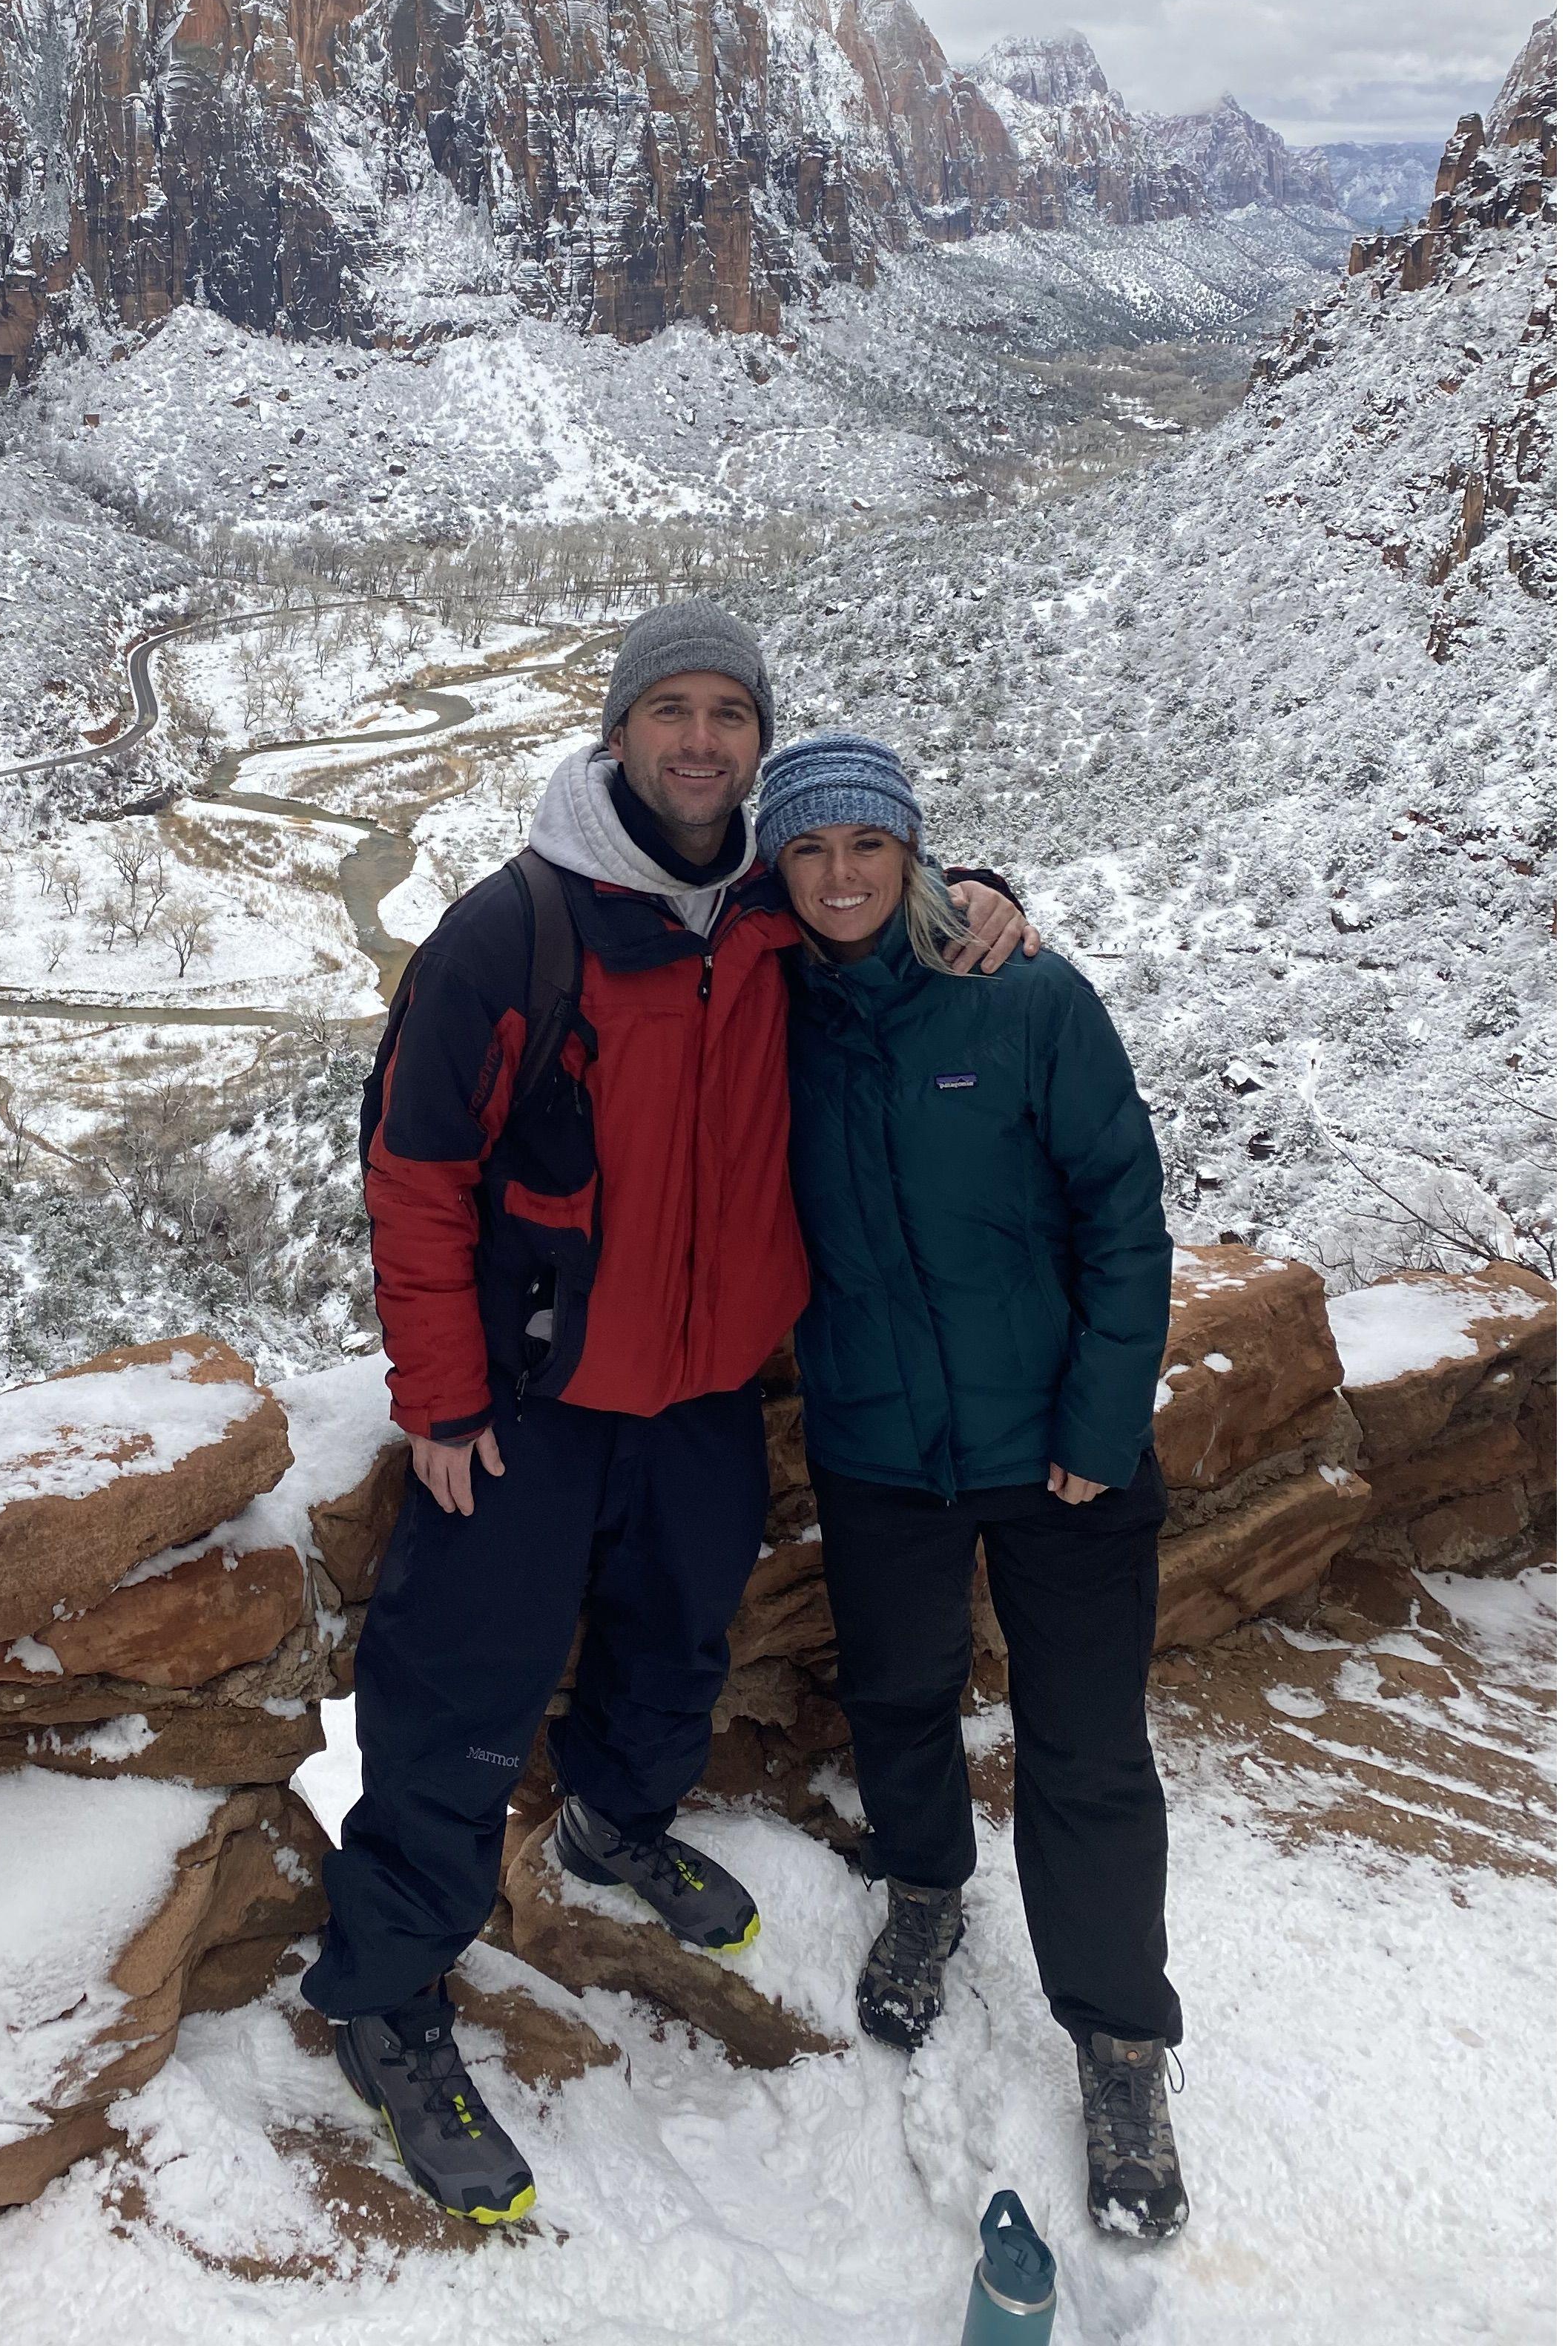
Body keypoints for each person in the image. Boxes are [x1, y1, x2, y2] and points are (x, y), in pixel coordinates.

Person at [302, 604, 1033, 2226]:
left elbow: (901, 895)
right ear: (619, 731)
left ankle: (615, 1832)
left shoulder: (777, 906)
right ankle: (382, 1994)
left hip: (707, 1385)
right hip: (534, 1399)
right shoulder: (515, 931)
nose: (702, 743)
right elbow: (416, 1177)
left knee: (679, 1634)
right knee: (461, 1700)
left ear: (759, 744)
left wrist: (989, 898)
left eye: (730, 716)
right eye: (672, 712)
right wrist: (439, 1389)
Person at [753, 730, 1189, 2242]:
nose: (841, 873)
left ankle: (1121, 2038)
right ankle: (925, 1883)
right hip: (880, 1445)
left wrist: (1102, 1415)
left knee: (1086, 1749)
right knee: (898, 1692)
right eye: (808, 850)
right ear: (778, 870)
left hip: (1061, 1455)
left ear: (916, 850)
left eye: (867, 843)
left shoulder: (1026, 997)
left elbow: (1125, 1217)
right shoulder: (770, 1014)